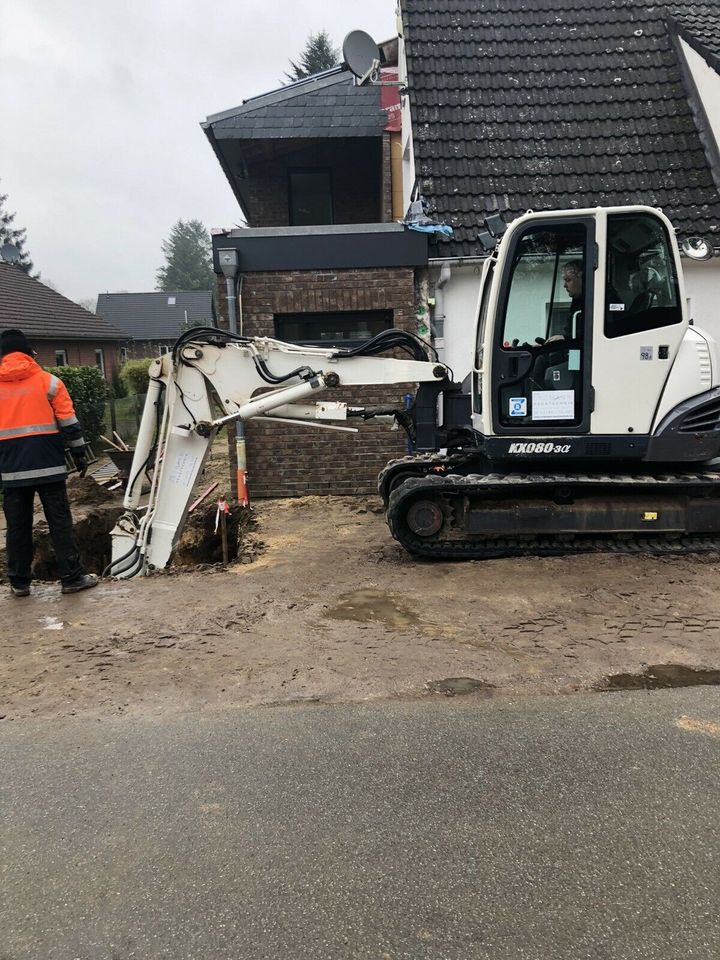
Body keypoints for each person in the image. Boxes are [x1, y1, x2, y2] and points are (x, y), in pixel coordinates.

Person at [0, 328, 98, 597]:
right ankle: (71, 578)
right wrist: (79, 454)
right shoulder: (49, 382)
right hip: (50, 467)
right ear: (29, 353)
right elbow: (69, 422)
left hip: (11, 471)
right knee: (59, 522)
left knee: (17, 527)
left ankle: (19, 583)